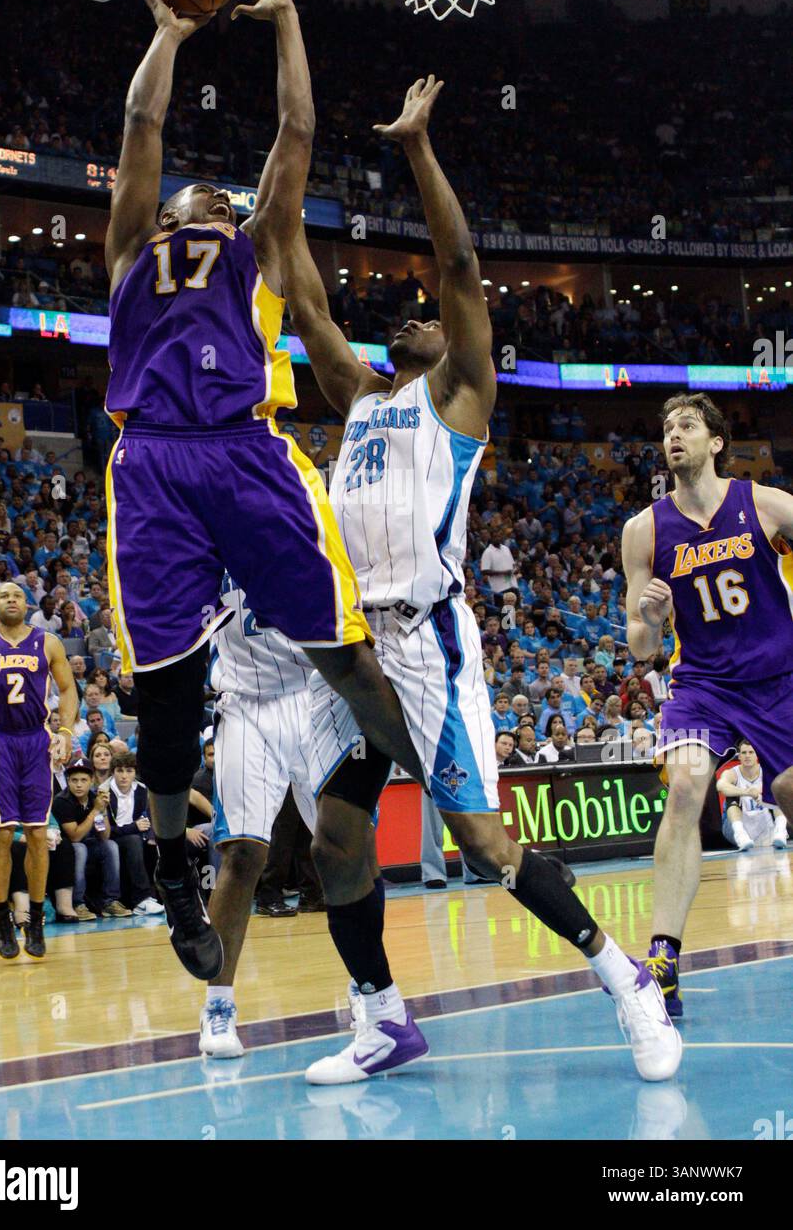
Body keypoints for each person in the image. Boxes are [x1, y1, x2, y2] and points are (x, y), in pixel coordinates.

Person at [284, 74, 680, 1085]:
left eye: (432, 315)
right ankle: (382, 1018)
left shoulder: (458, 398)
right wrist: (285, 155)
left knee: (484, 844)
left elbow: (457, 261)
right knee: (335, 835)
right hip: (353, 651)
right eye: (408, 314)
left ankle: (620, 976)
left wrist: (416, 147)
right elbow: (294, 279)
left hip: (426, 641)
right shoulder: (354, 395)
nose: (419, 315)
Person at [102, 0, 422, 983]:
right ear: (165, 219)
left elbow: (296, 133)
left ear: (232, 221)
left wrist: (285, 16)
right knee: (166, 685)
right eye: (187, 201)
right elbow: (140, 129)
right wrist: (167, 30)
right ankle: (166, 859)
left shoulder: (258, 246)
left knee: (341, 646)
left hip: (247, 450)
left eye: (217, 201)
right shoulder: (127, 250)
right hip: (151, 457)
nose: (202, 205)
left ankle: (440, 780)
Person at [622, 392, 793, 1018]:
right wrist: (650, 617)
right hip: (702, 685)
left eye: (688, 426)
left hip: (779, 679)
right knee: (688, 784)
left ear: (716, 443)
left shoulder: (765, 504)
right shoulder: (643, 530)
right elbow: (641, 645)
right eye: (667, 428)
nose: (675, 435)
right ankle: (663, 958)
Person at [199, 575, 323, 1059]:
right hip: (245, 702)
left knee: (345, 848)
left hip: (316, 693)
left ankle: (370, 988)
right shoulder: (207, 533)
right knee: (243, 855)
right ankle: (218, 1005)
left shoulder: (310, 512)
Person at [0, 582, 78, 960]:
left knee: (38, 833)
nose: (10, 600)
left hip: (36, 740)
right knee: (4, 833)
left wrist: (66, 732)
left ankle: (36, 917)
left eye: (17, 596)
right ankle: (2, 914)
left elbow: (69, 690)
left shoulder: (48, 643)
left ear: (27, 604)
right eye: (4, 595)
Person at [52, 761, 132, 919]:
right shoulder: (62, 801)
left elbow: (104, 835)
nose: (79, 785)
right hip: (63, 849)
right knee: (79, 848)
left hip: (88, 844)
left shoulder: (95, 798)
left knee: (110, 845)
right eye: (74, 780)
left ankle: (110, 902)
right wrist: (95, 811)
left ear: (91, 781)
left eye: (83, 780)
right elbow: (74, 837)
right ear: (68, 782)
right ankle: (77, 903)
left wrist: (102, 812)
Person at [105, 752, 164, 914]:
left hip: (139, 836)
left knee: (158, 844)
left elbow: (152, 817)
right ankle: (141, 899)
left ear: (135, 773)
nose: (124, 776)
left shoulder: (142, 790)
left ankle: (164, 894)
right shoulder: (103, 792)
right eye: (120, 771)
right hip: (112, 839)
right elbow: (105, 831)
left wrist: (152, 836)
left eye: (129, 771)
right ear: (112, 772)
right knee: (133, 841)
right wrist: (133, 827)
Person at [717, 738, 787, 852]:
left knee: (776, 791)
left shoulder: (766, 771)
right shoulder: (732, 773)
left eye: (751, 752)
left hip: (765, 822)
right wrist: (746, 792)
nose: (747, 756)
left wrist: (763, 792)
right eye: (744, 753)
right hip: (738, 825)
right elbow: (720, 785)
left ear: (757, 754)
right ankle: (740, 835)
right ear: (739, 756)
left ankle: (780, 830)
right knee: (731, 795)